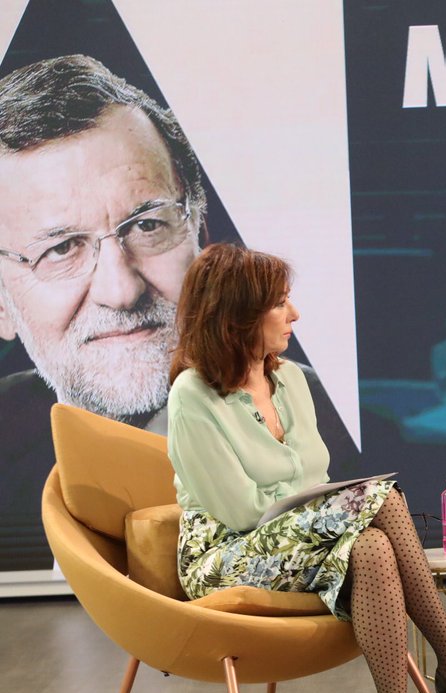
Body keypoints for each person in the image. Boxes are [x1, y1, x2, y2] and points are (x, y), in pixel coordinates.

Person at [166, 243, 446, 693]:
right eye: (281, 303)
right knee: (383, 499)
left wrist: (320, 510)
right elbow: (241, 512)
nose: (294, 315)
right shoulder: (192, 396)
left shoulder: (291, 381)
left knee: (371, 547)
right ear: (238, 315)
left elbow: (312, 476)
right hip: (226, 555)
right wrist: (321, 509)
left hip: (294, 540)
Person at [0, 54, 354, 570]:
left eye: (148, 225)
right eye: (61, 249)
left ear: (200, 237)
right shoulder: (9, 441)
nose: (121, 291)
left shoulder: (326, 417)